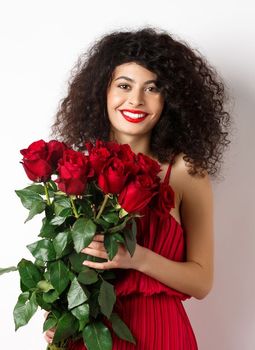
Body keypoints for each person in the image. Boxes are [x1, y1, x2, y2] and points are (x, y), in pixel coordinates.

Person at [43, 27, 231, 349]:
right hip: (88, 334)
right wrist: (54, 315)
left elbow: (202, 282)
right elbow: (63, 268)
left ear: (169, 99)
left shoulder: (185, 172)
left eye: (152, 88)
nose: (136, 100)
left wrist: (136, 257)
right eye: (124, 85)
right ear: (103, 91)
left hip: (161, 335)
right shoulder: (77, 170)